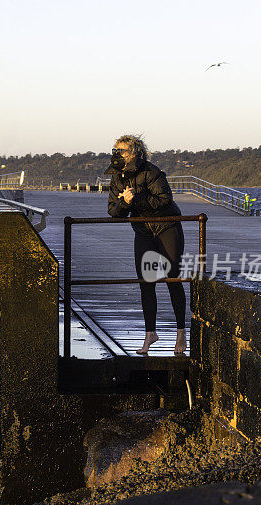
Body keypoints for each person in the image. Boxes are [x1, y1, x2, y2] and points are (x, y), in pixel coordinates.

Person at [106, 134, 187, 355]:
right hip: (143, 231)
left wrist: (137, 198)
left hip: (167, 227)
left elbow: (165, 200)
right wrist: (124, 202)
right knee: (146, 282)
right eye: (115, 151)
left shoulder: (151, 172)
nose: (116, 155)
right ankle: (150, 333)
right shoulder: (116, 177)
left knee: (172, 278)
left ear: (134, 153)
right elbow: (113, 212)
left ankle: (181, 332)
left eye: (121, 151)